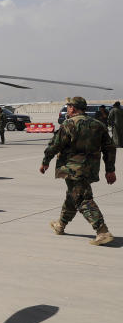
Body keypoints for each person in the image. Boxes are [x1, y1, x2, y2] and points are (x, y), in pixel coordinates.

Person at [40, 97, 115, 246]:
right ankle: (60, 225)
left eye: (68, 106)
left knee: (82, 198)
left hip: (73, 169)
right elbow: (109, 148)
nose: (67, 108)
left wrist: (45, 162)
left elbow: (55, 145)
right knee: (73, 195)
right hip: (91, 168)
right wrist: (110, 170)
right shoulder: (98, 125)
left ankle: (102, 231)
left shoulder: (68, 124)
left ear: (73, 108)